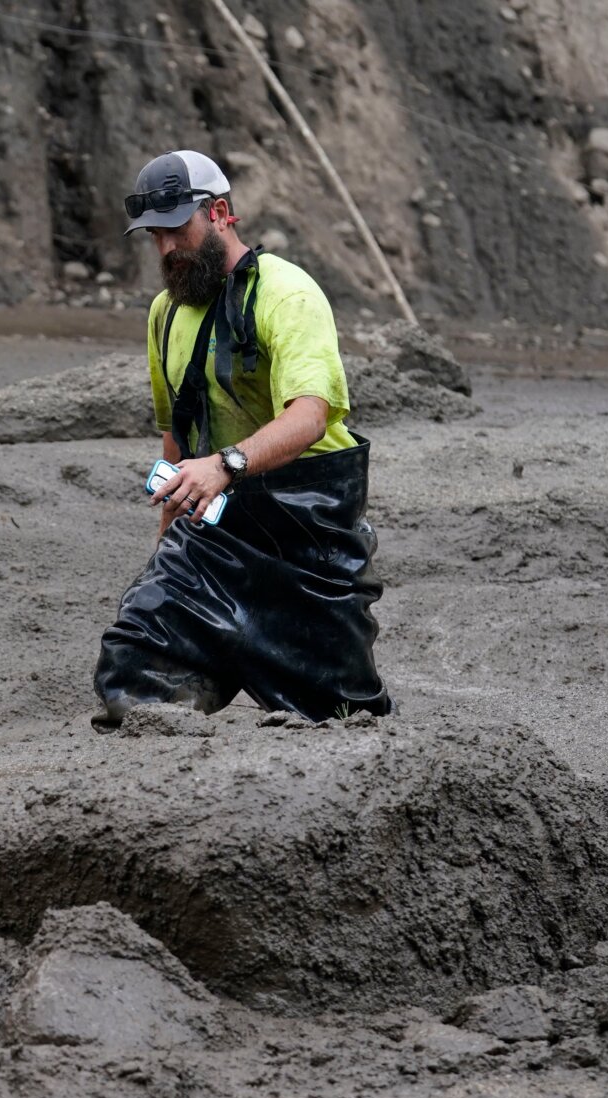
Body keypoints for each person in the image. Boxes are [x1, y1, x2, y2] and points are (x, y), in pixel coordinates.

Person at [92, 149, 395, 726]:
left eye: (177, 230)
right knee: (133, 661)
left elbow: (309, 417)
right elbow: (175, 432)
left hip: (310, 533)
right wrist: (167, 536)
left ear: (221, 213)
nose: (165, 250)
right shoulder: (164, 313)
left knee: (344, 715)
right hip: (214, 525)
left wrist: (225, 465)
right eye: (153, 236)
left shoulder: (289, 294)